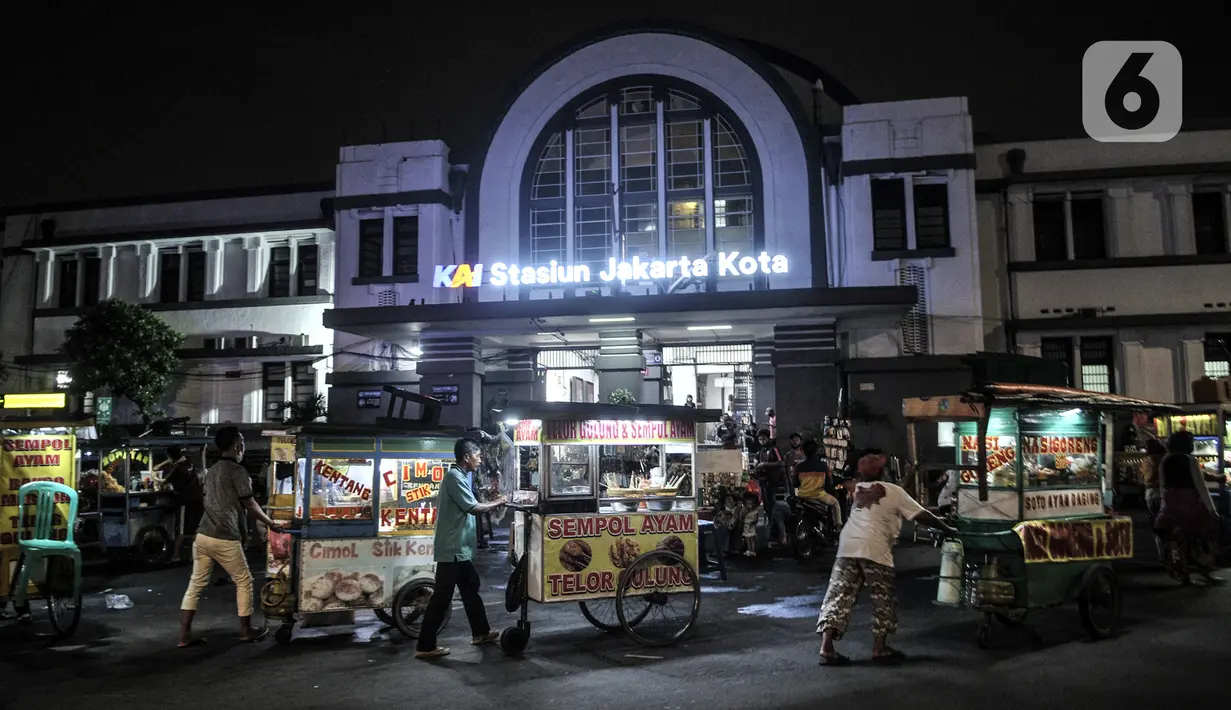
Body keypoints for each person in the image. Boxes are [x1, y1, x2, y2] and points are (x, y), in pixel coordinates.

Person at [817, 453, 955, 665]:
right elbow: (922, 515)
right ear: (884, 471)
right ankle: (879, 647)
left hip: (847, 547)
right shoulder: (895, 492)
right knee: (883, 598)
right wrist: (948, 528)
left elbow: (892, 491)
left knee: (838, 595)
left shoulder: (860, 489)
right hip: (875, 549)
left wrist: (909, 475)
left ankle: (826, 647)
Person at [179, 427, 283, 647]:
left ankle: (184, 635)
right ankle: (245, 630)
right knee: (244, 581)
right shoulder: (237, 471)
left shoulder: (213, 470)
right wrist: (270, 522)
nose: (244, 446)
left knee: (196, 584)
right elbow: (250, 503)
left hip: (203, 535)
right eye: (242, 441)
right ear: (236, 444)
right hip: (224, 535)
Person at [415, 438, 509, 659]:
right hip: (453, 548)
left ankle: (481, 632)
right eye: (477, 455)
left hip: (460, 548)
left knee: (470, 587)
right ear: (466, 457)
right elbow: (473, 507)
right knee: (442, 597)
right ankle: (425, 645)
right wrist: (499, 502)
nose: (480, 458)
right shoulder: (453, 477)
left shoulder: (461, 476)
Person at [1154, 431, 1221, 585]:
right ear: (1185, 444)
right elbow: (1201, 486)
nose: (1192, 445)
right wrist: (1212, 510)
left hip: (1171, 504)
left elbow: (1162, 485)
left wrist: (1164, 505)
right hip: (1190, 505)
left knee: (1179, 541)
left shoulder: (1166, 460)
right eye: (1191, 442)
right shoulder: (1191, 460)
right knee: (1200, 541)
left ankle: (1183, 574)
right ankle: (1206, 573)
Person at [158, 446, 203, 563]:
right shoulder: (188, 463)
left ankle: (176, 555)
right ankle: (192, 556)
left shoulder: (178, 468)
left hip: (185, 501)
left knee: (181, 530)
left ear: (170, 456)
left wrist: (153, 476)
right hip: (197, 500)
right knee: (194, 529)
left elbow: (163, 482)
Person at [795, 439, 842, 528]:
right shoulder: (823, 466)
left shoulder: (798, 467)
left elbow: (795, 483)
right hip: (818, 495)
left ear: (804, 451)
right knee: (835, 503)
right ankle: (837, 527)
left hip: (802, 496)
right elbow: (829, 483)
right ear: (816, 451)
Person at [754, 429, 788, 546]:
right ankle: (773, 532)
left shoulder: (774, 449)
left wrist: (764, 464)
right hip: (764, 482)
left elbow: (781, 463)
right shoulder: (762, 450)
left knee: (773, 508)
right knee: (768, 507)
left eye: (763, 439)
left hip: (773, 482)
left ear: (768, 438)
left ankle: (779, 533)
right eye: (760, 439)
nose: (761, 441)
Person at [1142, 438, 1167, 560]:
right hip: (1166, 494)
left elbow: (1147, 480)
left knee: (1156, 525)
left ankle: (1162, 553)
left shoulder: (1148, 461)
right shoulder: (1165, 459)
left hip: (1152, 494)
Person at [740, 490, 761, 557]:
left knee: (749, 538)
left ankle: (750, 550)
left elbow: (742, 516)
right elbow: (756, 518)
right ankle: (752, 550)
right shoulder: (755, 510)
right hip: (750, 525)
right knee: (751, 539)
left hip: (747, 524)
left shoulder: (745, 509)